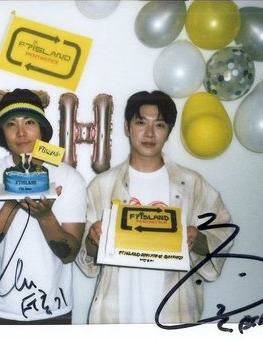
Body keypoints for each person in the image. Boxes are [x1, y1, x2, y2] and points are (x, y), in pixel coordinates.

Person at [76, 90, 232, 324]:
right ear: (127, 127)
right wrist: (92, 238)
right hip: (115, 314)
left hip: (175, 312)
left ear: (168, 131)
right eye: (141, 123)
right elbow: (85, 259)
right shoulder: (102, 185)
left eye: (159, 125)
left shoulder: (192, 184)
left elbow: (223, 233)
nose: (149, 133)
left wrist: (198, 239)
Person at [0, 88, 86, 324]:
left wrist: (45, 216)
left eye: (29, 122)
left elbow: (69, 255)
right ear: (2, 133)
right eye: (11, 124)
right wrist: (12, 201)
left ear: (42, 129)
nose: (21, 132)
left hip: (53, 308)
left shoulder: (70, 178)